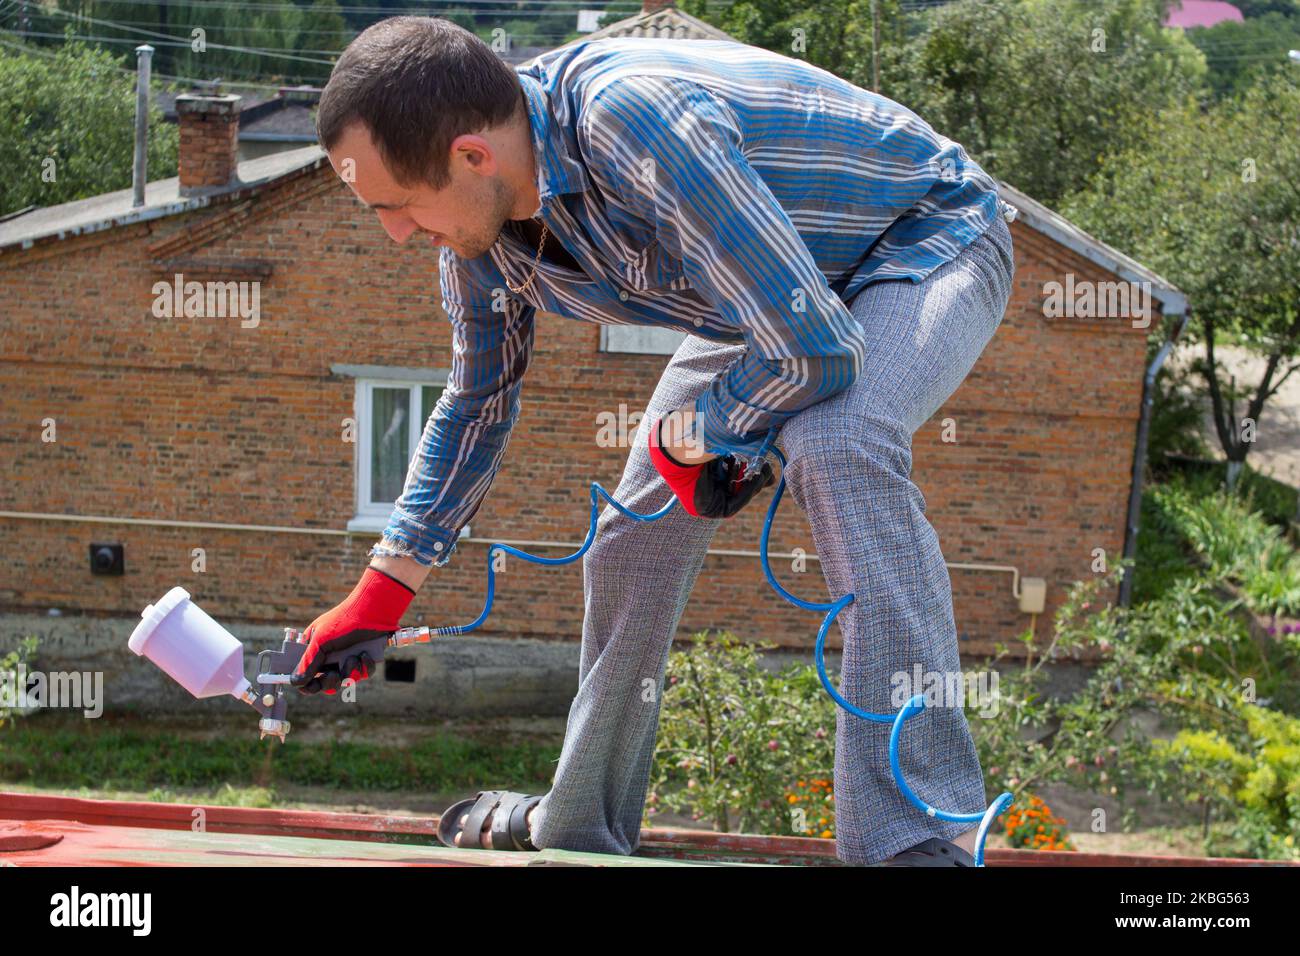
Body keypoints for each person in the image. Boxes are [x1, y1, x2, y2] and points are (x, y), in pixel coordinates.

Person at [294, 15, 1016, 866]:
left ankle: (918, 836)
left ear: (472, 156)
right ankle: (581, 823)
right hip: (761, 297)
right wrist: (385, 589)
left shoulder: (632, 123)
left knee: (838, 439)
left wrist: (719, 432)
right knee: (632, 537)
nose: (396, 235)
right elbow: (478, 400)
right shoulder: (478, 240)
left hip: (920, 241)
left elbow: (817, 349)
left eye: (398, 206)